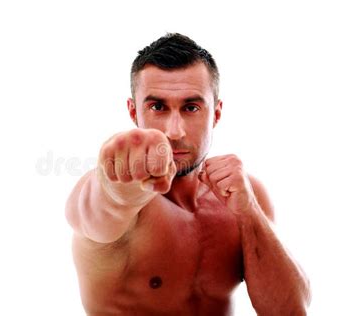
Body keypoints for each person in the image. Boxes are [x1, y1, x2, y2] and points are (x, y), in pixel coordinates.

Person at [65, 33, 311, 315]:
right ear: (134, 112)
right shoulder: (123, 194)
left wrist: (249, 211)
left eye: (191, 107)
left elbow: (291, 311)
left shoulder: (243, 193)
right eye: (157, 107)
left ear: (216, 114)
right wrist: (116, 184)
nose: (174, 131)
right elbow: (96, 206)